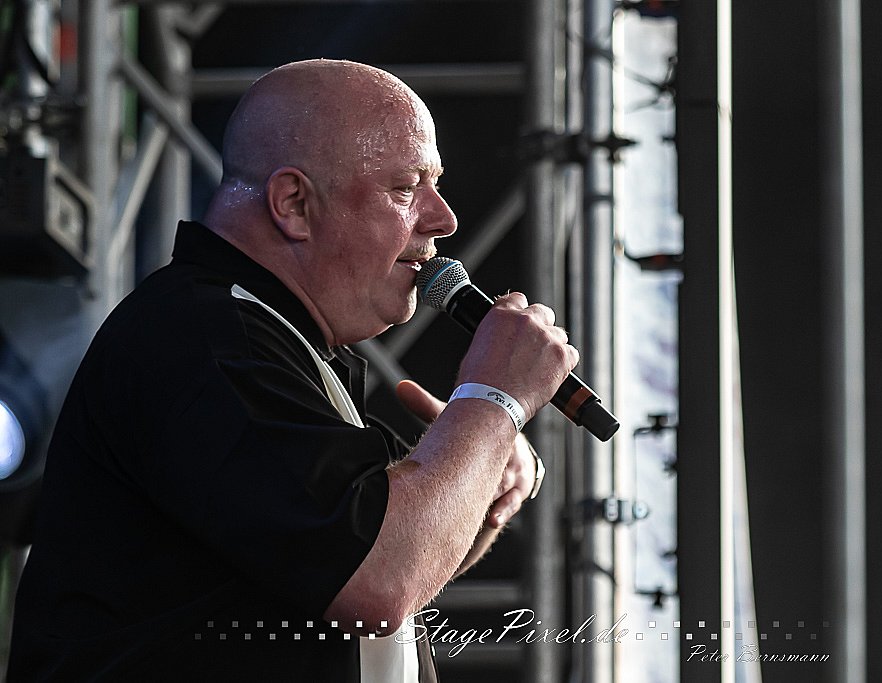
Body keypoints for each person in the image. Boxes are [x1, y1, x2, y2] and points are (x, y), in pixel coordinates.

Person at [8, 59, 577, 681]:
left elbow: (382, 555)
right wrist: (493, 403)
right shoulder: (208, 342)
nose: (444, 219)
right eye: (406, 188)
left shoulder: (273, 343)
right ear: (294, 203)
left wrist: (486, 474)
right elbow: (378, 580)